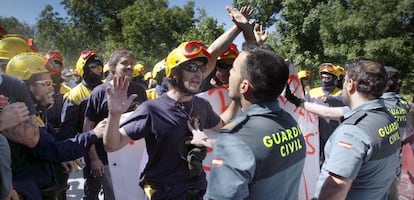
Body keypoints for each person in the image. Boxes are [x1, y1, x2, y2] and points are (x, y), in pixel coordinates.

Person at [103, 40, 238, 199]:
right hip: (164, 194)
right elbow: (112, 145)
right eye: (191, 68)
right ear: (173, 73)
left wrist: (237, 99)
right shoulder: (152, 109)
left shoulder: (202, 105)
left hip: (196, 191)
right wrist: (114, 114)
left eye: (201, 68)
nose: (199, 74)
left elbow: (221, 125)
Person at [204, 42, 306, 199]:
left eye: (233, 68)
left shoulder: (235, 139)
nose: (230, 72)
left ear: (244, 86)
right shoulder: (289, 123)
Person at [3, 52, 104, 199]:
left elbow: (50, 147)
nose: (52, 88)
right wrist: (93, 134)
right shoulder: (16, 117)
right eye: (47, 83)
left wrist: (60, 159)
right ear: (25, 86)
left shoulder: (35, 113)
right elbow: (53, 148)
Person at [314, 58, 400, 199]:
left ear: (350, 85)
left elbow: (335, 188)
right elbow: (331, 113)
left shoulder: (352, 132)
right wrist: (301, 103)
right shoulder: (386, 116)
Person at [83, 49, 147, 200]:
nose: (130, 67)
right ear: (112, 67)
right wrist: (94, 159)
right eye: (124, 63)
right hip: (107, 159)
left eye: (132, 64)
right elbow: (87, 127)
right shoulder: (99, 92)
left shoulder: (140, 91)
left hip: (136, 156)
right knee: (115, 196)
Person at [306, 62, 344, 165]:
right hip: (314, 133)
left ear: (335, 77)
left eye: (329, 76)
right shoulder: (313, 92)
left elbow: (345, 101)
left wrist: (329, 99)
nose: (325, 78)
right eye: (323, 76)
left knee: (331, 160)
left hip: (333, 133)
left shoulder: (340, 93)